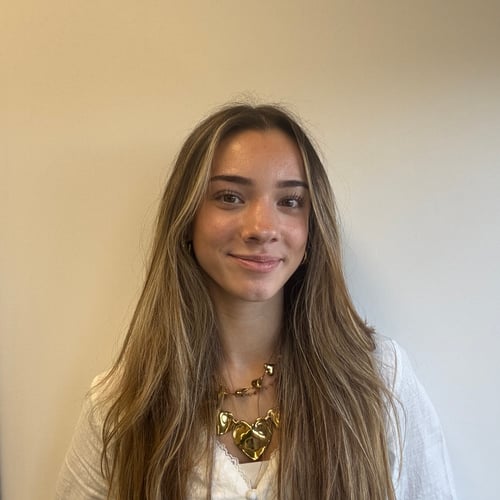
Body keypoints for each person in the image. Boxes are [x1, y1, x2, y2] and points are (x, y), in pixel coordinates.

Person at [56, 103, 456, 499]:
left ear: (312, 228)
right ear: (187, 219)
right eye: (230, 197)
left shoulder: (379, 379)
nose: (262, 228)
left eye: (290, 201)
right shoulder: (119, 406)